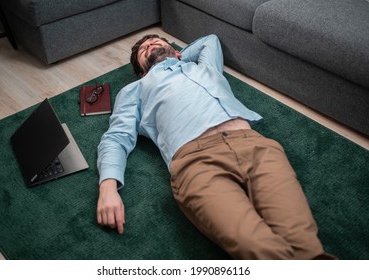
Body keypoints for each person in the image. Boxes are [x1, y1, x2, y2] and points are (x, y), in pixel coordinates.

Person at [96, 34, 334, 259]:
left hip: (255, 147)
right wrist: (108, 187)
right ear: (140, 72)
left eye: (155, 41)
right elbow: (116, 137)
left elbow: (210, 40)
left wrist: (174, 56)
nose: (150, 45)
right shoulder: (135, 89)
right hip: (196, 163)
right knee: (257, 246)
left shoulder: (204, 67)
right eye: (143, 50)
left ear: (178, 52)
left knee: (303, 241)